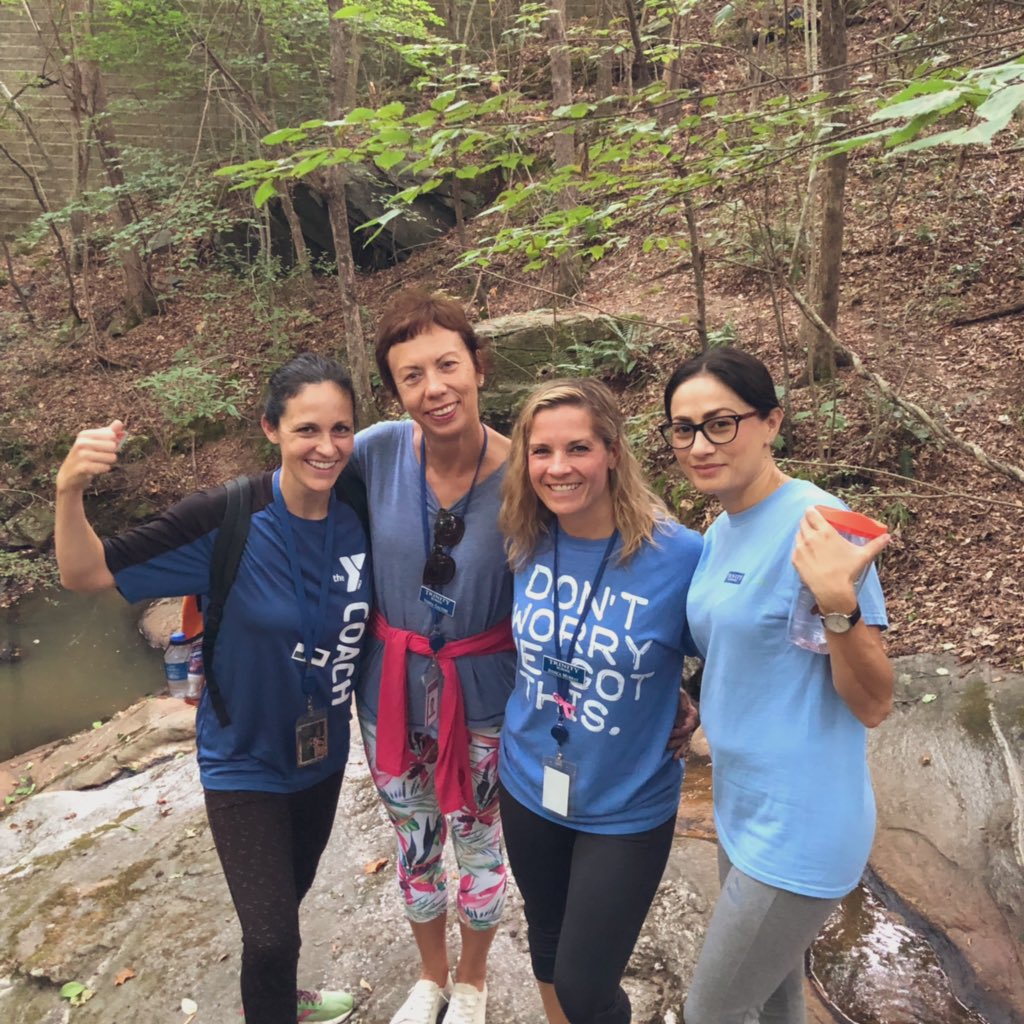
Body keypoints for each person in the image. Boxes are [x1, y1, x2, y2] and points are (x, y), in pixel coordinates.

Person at [54, 353, 371, 1024]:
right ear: (270, 429)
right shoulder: (226, 518)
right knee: (272, 935)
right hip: (242, 759)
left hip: (321, 755)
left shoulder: (361, 510)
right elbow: (85, 573)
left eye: (340, 429)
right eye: (307, 429)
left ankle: (282, 998)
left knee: (286, 905)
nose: (326, 447)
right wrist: (69, 491)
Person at [661, 346, 893, 1024]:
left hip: (801, 822)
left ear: (771, 423)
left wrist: (838, 602)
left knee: (712, 1014)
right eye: (684, 429)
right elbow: (740, 651)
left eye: (721, 423)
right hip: (741, 807)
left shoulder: (820, 525)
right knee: (774, 1002)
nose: (700, 445)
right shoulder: (720, 530)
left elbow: (874, 702)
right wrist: (693, 700)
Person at [496, 378, 703, 1024]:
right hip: (528, 779)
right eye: (541, 451)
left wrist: (693, 698)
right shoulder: (522, 538)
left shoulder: (678, 555)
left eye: (578, 448)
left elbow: (732, 646)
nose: (558, 467)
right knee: (546, 936)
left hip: (626, 802)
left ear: (613, 452)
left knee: (587, 988)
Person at [343, 289, 515, 1024]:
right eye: (411, 376)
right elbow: (294, 499)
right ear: (395, 390)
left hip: (485, 694)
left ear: (478, 365)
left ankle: (473, 982)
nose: (434, 388)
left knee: (478, 841)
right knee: (414, 841)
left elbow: (606, 536)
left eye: (448, 365)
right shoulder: (377, 452)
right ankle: (431, 977)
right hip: (388, 689)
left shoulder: (528, 472)